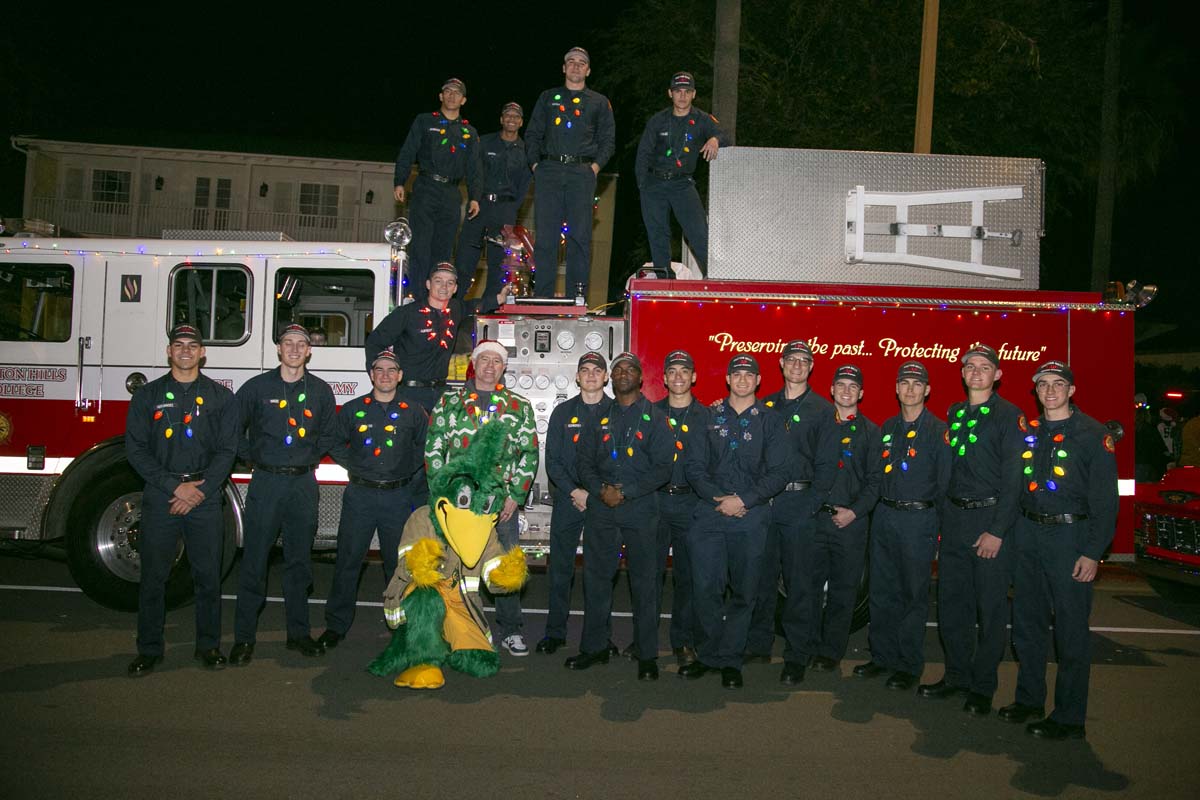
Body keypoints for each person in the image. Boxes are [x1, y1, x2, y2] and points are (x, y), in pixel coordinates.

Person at [1001, 361, 1119, 740]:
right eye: (1043, 385)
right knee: (1027, 625)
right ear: (1035, 392)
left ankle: (1069, 717)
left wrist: (1092, 552)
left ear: (1071, 390)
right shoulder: (1028, 433)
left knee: (1070, 631)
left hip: (1071, 539)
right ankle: (1030, 699)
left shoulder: (1092, 435)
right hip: (1028, 536)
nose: (1049, 391)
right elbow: (1015, 490)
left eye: (1058, 384)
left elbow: (1106, 502)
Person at [125, 324, 240, 676]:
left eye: (192, 345)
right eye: (179, 345)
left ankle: (208, 646)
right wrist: (175, 488)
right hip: (162, 497)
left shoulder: (222, 398)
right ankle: (148, 649)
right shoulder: (147, 396)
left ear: (203, 353)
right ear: (169, 352)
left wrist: (201, 491)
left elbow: (227, 451)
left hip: (204, 498)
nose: (186, 351)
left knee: (208, 578)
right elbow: (136, 449)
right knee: (153, 578)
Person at [918, 343, 1026, 716]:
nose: (976, 372)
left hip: (990, 522)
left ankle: (982, 687)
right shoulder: (955, 412)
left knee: (990, 610)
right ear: (962, 374)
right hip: (956, 521)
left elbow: (1015, 481)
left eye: (984, 367)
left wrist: (997, 530)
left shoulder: (1010, 416)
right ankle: (956, 676)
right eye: (970, 367)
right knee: (952, 606)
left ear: (997, 375)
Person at [230, 325, 338, 664]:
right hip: (266, 482)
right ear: (279, 350)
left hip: (303, 484)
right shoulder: (257, 387)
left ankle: (298, 633)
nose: (294, 349)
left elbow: (328, 435)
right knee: (254, 560)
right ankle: (244, 638)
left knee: (299, 562)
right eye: (287, 343)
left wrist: (305, 456)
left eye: (300, 344)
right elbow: (231, 430)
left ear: (309, 351)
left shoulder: (320, 391)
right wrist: (254, 456)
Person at [680, 355, 790, 688]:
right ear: (727, 379)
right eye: (736, 374)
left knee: (745, 592)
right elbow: (694, 467)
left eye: (749, 375)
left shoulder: (771, 421)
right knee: (705, 589)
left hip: (751, 517)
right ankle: (709, 654)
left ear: (758, 381)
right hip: (710, 515)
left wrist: (743, 500)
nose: (742, 379)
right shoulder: (707, 417)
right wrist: (721, 500)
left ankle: (731, 660)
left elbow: (780, 472)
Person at [425, 340, 538, 656]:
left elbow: (528, 453)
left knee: (505, 565)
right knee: (454, 564)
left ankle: (511, 630)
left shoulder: (518, 406)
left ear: (504, 368)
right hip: (458, 503)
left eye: (497, 361)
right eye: (484, 360)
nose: (490, 366)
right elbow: (435, 449)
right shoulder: (450, 402)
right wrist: (440, 494)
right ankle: (456, 625)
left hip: (500, 504)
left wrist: (516, 494)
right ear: (475, 364)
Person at [568, 352, 673, 680]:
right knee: (596, 580)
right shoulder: (598, 417)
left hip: (640, 510)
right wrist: (601, 490)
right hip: (602, 509)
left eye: (630, 369)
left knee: (645, 582)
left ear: (641, 378)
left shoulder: (656, 418)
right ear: (611, 379)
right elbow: (583, 461)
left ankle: (646, 654)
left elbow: (663, 468)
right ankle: (595, 647)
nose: (624, 374)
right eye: (618, 370)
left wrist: (624, 491)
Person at [316, 348, 429, 649]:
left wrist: (406, 468)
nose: (385, 375)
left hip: (398, 497)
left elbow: (424, 445)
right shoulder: (353, 410)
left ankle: (401, 625)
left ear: (400, 376)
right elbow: (333, 441)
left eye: (392, 370)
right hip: (360, 496)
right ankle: (336, 625)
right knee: (348, 561)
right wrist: (355, 465)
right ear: (371, 375)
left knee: (398, 565)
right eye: (379, 370)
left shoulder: (413, 411)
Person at [854, 361, 950, 691]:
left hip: (918, 521)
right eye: (904, 383)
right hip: (885, 517)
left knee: (913, 596)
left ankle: (909, 665)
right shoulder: (888, 428)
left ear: (927, 390)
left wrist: (935, 528)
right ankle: (882, 656)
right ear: (896, 389)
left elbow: (944, 485)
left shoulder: (939, 431)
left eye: (916, 383)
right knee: (881, 592)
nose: (910, 389)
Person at [747, 339, 835, 675]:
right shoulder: (765, 406)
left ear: (811, 367)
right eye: (791, 360)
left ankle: (798, 654)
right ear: (781, 365)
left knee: (800, 584)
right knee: (762, 579)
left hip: (801, 503)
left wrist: (812, 505)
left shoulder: (824, 410)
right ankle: (758, 645)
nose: (797, 365)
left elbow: (827, 466)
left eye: (804, 360)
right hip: (768, 505)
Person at [796, 365, 881, 677]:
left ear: (861, 393)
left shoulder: (872, 433)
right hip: (816, 520)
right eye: (840, 385)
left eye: (852, 386)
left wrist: (855, 512)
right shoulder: (816, 425)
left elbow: (875, 483)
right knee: (808, 587)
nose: (846, 391)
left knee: (844, 592)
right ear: (831, 390)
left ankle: (831, 652)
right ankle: (807, 646)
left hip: (851, 523)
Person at [537, 352, 613, 655]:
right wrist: (574, 492)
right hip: (569, 501)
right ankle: (555, 633)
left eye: (598, 370)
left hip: (603, 503)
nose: (592, 375)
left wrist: (594, 494)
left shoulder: (617, 412)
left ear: (606, 377)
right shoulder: (562, 412)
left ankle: (601, 636)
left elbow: (620, 463)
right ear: (577, 377)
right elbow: (553, 462)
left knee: (601, 572)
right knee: (560, 571)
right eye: (586, 370)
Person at [524, 47, 615, 299]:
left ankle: (577, 298)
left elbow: (608, 140)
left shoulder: (599, 101)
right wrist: (535, 165)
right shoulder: (547, 97)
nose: (576, 66)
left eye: (581, 63)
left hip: (581, 172)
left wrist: (594, 167)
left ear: (588, 70)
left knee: (580, 237)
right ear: (564, 68)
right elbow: (532, 134)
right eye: (571, 62)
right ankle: (543, 298)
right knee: (546, 238)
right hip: (549, 171)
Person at [365, 262, 512, 413]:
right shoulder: (407, 313)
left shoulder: (455, 309)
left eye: (450, 283)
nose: (444, 287)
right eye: (438, 281)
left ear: (455, 288)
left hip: (440, 395)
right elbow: (374, 342)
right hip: (408, 394)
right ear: (428, 284)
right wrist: (379, 376)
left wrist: (498, 299)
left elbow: (474, 305)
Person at [393, 78, 482, 303]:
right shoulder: (424, 121)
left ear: (463, 100)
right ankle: (418, 298)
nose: (452, 96)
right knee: (421, 246)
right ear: (441, 96)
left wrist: (475, 197)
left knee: (443, 250)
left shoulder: (469, 132)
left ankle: (438, 300)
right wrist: (400, 181)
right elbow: (408, 151)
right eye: (447, 92)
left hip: (452, 193)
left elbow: (474, 169)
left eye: (457, 93)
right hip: (425, 187)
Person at [635, 72, 727, 278]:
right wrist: (643, 185)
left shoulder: (702, 119)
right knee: (658, 234)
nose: (682, 96)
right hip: (654, 184)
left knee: (699, 233)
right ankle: (665, 279)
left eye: (687, 91)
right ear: (670, 93)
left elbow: (724, 133)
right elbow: (643, 153)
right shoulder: (658, 120)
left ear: (693, 94)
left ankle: (714, 277)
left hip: (682, 184)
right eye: (678, 91)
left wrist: (715, 139)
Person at [654, 349, 711, 666]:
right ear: (664, 378)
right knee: (650, 575)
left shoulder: (708, 417)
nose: (678, 376)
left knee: (687, 578)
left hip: (691, 504)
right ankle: (644, 640)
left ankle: (683, 641)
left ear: (694, 377)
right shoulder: (649, 413)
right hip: (657, 502)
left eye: (684, 371)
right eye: (672, 371)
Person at [453, 102, 533, 307]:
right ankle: (454, 305)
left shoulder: (526, 150)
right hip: (480, 207)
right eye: (508, 116)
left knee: (499, 264)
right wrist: (474, 198)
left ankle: (490, 307)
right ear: (501, 119)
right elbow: (474, 173)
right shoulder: (485, 143)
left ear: (521, 122)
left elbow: (525, 183)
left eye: (516, 117)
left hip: (505, 210)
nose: (511, 119)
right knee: (465, 258)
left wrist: (512, 209)